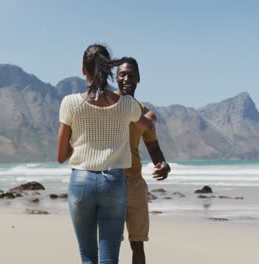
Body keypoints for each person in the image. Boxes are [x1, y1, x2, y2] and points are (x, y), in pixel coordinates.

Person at [57, 44, 155, 264]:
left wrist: (81, 143)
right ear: (109, 70)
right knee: (109, 258)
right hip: (113, 182)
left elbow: (61, 155)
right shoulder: (127, 104)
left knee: (88, 257)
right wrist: (152, 119)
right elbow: (147, 126)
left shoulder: (70, 103)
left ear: (84, 70)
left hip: (81, 181)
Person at [116, 57, 171, 264]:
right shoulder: (106, 103)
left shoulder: (143, 112)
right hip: (111, 181)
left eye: (131, 74)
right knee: (110, 242)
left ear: (138, 78)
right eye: (122, 74)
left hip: (135, 183)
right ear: (116, 77)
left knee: (137, 244)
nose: (126, 78)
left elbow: (154, 148)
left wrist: (164, 166)